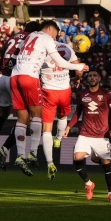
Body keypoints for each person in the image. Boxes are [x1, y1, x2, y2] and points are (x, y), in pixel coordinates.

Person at [10, 20, 88, 176]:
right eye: (57, 31)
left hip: (14, 76)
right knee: (39, 116)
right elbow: (60, 61)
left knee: (22, 118)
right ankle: (33, 151)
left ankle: (20, 155)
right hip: (39, 81)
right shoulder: (48, 39)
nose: (57, 35)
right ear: (50, 28)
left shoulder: (31, 36)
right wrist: (79, 67)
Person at [0, 21, 41, 169]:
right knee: (25, 118)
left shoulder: (13, 37)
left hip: (1, 77)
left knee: (3, 114)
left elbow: (4, 56)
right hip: (15, 78)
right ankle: (5, 148)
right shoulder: (32, 39)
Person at [64, 70, 111, 203]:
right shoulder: (82, 94)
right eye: (90, 76)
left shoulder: (107, 94)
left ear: (99, 78)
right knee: (77, 157)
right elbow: (77, 113)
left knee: (106, 164)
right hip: (85, 133)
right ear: (87, 79)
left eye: (95, 75)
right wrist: (68, 127)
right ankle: (89, 184)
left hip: (101, 136)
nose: (92, 77)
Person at [40, 42, 81, 180]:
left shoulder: (41, 46)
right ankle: (58, 139)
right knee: (63, 116)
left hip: (48, 90)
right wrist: (78, 78)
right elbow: (78, 68)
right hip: (64, 90)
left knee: (46, 128)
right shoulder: (67, 46)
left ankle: (50, 162)